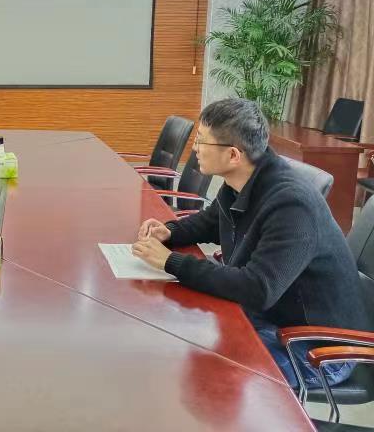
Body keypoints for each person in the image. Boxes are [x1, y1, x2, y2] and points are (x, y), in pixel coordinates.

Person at [131, 98, 370, 390]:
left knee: (204, 372)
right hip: (273, 318)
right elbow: (210, 222)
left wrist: (171, 262)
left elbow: (258, 289)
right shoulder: (244, 180)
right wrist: (169, 232)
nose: (195, 149)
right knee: (177, 339)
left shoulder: (292, 204)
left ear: (233, 154)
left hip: (317, 347)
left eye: (202, 141)